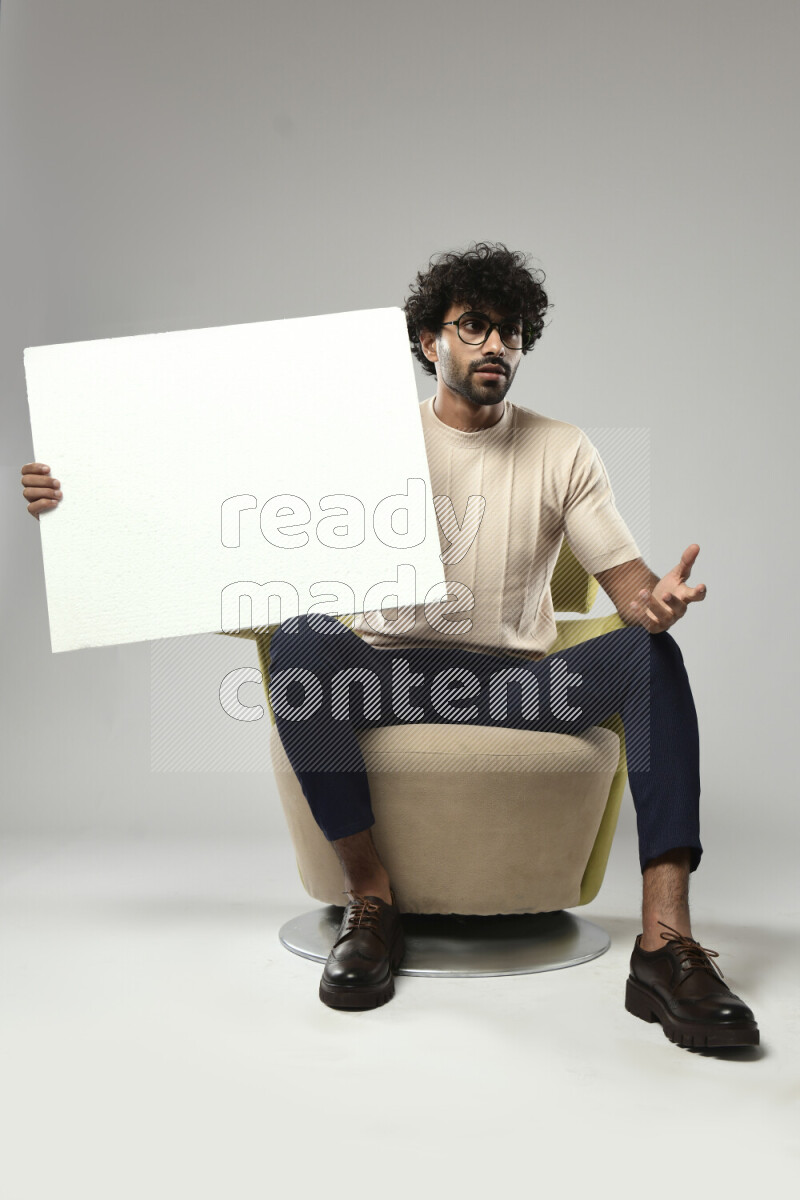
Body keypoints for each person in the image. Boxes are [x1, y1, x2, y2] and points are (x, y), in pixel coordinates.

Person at [20, 242, 759, 1048]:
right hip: (388, 674)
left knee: (649, 657)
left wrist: (656, 604)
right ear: (428, 342)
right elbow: (216, 529)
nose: (496, 345)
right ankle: (371, 902)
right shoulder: (367, 440)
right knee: (303, 639)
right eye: (474, 326)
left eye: (510, 331)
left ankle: (665, 947)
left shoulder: (563, 448)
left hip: (520, 683)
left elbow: (628, 586)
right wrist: (83, 503)